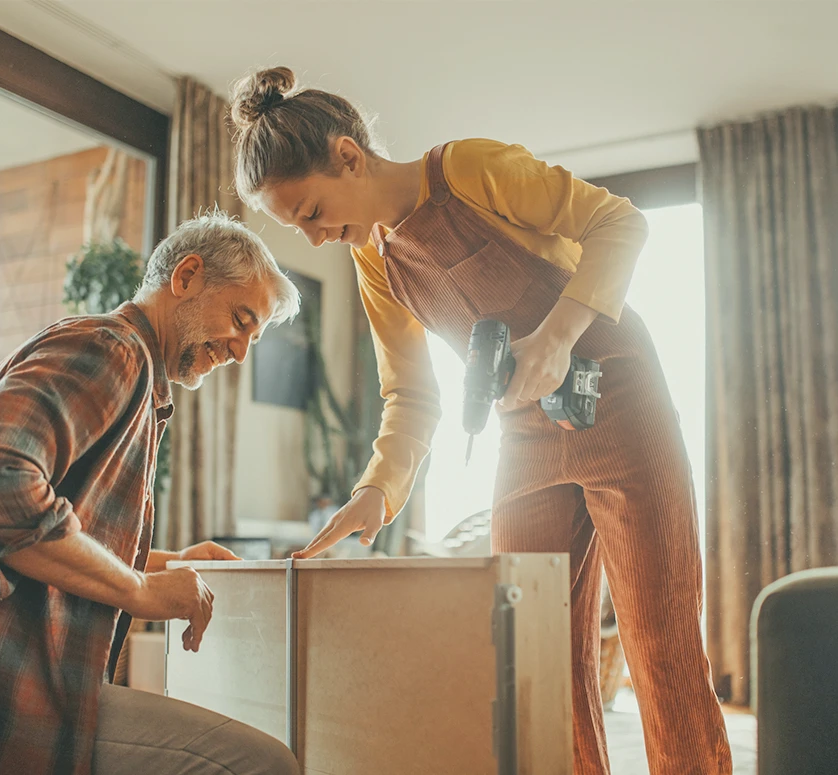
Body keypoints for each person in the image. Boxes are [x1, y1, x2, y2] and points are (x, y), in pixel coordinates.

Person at [228, 67, 733, 775]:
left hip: (618, 392)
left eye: (311, 212)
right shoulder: (374, 262)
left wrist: (556, 337)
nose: (314, 239)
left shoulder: (466, 169)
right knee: (529, 652)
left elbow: (620, 221)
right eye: (299, 227)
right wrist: (374, 494)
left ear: (348, 155)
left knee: (662, 648)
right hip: (524, 430)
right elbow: (410, 392)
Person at [0, 211, 301, 775]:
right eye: (239, 319)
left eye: (251, 338)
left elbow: (51, 536)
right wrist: (138, 588)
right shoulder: (114, 350)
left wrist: (164, 562)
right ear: (185, 276)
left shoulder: (132, 374)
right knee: (260, 764)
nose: (238, 352)